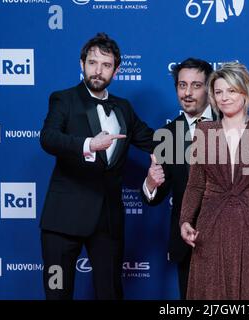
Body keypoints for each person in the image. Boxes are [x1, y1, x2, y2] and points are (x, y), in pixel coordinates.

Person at [39, 32, 155, 300]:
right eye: (92, 63)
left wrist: (201, 138)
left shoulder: (124, 108)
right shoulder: (63, 99)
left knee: (110, 293)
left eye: (106, 65)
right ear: (82, 64)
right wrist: (89, 144)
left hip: (108, 221)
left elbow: (153, 141)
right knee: (57, 293)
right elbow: (49, 138)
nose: (97, 71)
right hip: (62, 221)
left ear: (116, 70)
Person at [179, 62, 249, 299]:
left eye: (231, 90)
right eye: (218, 92)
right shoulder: (205, 131)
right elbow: (196, 184)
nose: (224, 97)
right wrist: (185, 221)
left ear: (246, 92)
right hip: (210, 231)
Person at [142, 58, 214, 299]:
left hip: (231, 240)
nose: (188, 92)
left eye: (196, 85)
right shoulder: (168, 134)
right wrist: (151, 183)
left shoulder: (231, 124)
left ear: (209, 88)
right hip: (187, 243)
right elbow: (155, 197)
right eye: (182, 85)